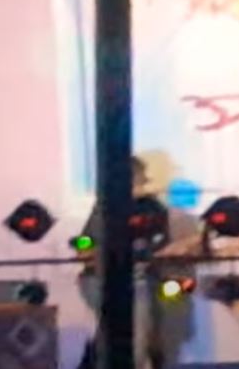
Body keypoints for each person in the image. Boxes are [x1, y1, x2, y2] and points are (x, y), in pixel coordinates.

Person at [77, 156, 170, 369]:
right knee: (122, 333)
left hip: (137, 278)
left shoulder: (154, 209)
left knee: (135, 337)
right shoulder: (105, 206)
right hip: (99, 279)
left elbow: (160, 246)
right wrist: (86, 247)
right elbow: (84, 239)